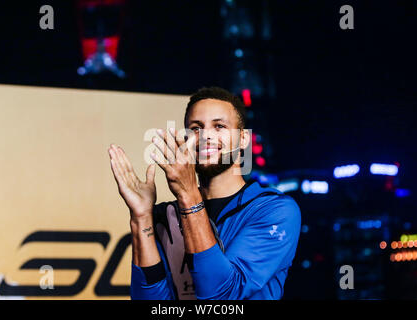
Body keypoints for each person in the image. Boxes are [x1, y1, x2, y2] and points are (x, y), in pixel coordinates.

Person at [108, 86, 301, 300]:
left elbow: (223, 295)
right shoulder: (166, 217)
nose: (205, 136)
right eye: (196, 128)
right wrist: (141, 217)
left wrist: (188, 194)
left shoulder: (274, 210)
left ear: (244, 139)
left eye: (219, 126)